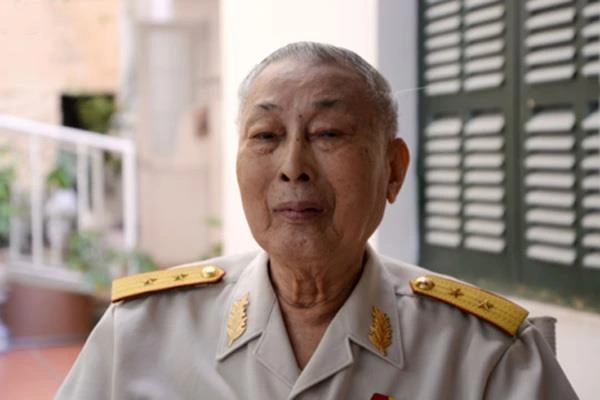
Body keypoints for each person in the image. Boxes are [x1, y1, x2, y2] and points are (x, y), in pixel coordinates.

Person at [55, 42, 578, 400]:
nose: (293, 167)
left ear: (393, 169)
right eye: (266, 136)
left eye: (328, 134)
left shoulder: (484, 355)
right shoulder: (140, 334)